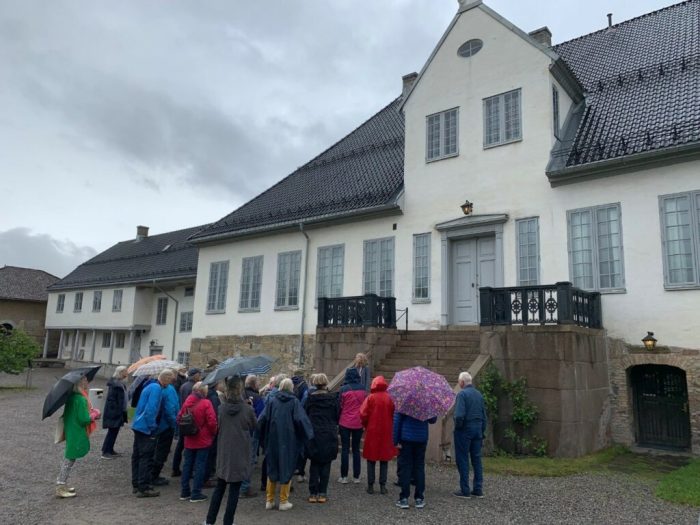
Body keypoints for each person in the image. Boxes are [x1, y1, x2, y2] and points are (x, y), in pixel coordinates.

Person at [203, 376, 256, 525]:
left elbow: (218, 425)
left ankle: (210, 521)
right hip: (239, 452)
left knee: (220, 488)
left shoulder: (222, 408)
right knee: (234, 490)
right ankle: (228, 522)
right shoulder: (246, 409)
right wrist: (248, 406)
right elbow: (254, 425)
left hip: (225, 452)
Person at [257, 378, 313, 511]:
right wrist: (308, 435)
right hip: (289, 440)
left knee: (272, 468)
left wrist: (261, 437)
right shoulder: (294, 402)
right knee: (286, 468)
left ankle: (269, 500)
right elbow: (301, 420)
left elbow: (262, 420)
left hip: (273, 439)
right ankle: (283, 501)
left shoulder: (272, 401)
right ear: (291, 388)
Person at [131, 369, 175, 497]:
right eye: (171, 380)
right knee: (146, 457)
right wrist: (152, 427)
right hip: (146, 427)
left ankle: (137, 483)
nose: (171, 383)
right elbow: (151, 409)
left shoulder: (149, 385)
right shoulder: (156, 388)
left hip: (139, 425)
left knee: (137, 456)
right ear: (166, 379)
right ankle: (144, 487)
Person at [55, 375, 98, 498]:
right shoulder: (80, 399)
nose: (87, 382)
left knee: (70, 458)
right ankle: (60, 485)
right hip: (77, 431)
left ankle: (62, 484)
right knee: (69, 459)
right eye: (85, 380)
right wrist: (94, 414)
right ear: (80, 384)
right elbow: (84, 419)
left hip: (71, 430)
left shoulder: (72, 397)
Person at [178, 381, 218, 503]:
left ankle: (185, 492)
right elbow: (212, 421)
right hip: (202, 438)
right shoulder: (206, 403)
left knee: (187, 465)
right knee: (200, 466)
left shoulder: (187, 401)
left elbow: (179, 417)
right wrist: (213, 432)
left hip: (189, 437)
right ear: (203, 391)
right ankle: (196, 493)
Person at [304, 373, 338, 503]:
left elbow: (305, 414)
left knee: (314, 463)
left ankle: (313, 493)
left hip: (314, 432)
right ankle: (322, 492)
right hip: (329, 432)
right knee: (326, 463)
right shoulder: (333, 399)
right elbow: (337, 415)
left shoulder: (310, 399)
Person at [453, 371, 487, 499]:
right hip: (478, 430)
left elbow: (459, 415)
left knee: (462, 459)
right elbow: (484, 416)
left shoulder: (462, 394)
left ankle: (465, 489)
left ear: (462, 382)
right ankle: (478, 489)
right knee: (476, 460)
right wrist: (482, 430)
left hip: (465, 430)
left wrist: (458, 428)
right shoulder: (479, 395)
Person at [393, 410, 437, 509]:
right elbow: (433, 420)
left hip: (406, 438)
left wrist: (395, 440)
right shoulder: (426, 401)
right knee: (419, 467)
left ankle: (404, 498)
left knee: (406, 467)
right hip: (421, 439)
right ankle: (419, 498)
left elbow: (397, 420)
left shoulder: (404, 401)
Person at [360, 375, 396, 495]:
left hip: (372, 431)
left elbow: (363, 414)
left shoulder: (370, 397)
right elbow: (394, 414)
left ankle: (370, 485)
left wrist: (366, 425)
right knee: (384, 459)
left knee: (371, 459)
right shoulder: (390, 398)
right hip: (386, 431)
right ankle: (382, 486)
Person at [337, 367, 366, 483]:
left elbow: (340, 405)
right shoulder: (363, 389)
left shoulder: (343, 389)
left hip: (345, 421)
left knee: (345, 449)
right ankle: (356, 476)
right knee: (356, 449)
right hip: (358, 422)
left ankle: (344, 476)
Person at [151, 370, 180, 486]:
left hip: (160, 424)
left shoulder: (160, 388)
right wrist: (174, 423)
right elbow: (170, 409)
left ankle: (153, 474)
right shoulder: (169, 390)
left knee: (158, 450)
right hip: (166, 426)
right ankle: (154, 476)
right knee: (162, 452)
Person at [172, 367, 202, 477]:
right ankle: (188, 471)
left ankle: (175, 468)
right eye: (199, 374)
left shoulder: (184, 385)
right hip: (189, 419)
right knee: (188, 446)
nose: (200, 376)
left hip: (184, 416)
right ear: (194, 375)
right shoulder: (193, 388)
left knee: (180, 445)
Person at [101, 365, 128, 459]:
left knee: (114, 431)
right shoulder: (116, 385)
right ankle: (105, 452)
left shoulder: (120, 383)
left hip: (118, 412)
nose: (127, 373)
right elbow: (112, 400)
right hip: (114, 412)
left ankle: (110, 449)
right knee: (112, 432)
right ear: (121, 373)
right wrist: (117, 411)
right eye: (125, 371)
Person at [292, 370, 309, 482]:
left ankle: (294, 467)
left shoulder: (290, 384)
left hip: (292, 418)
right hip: (301, 418)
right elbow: (304, 402)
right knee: (302, 446)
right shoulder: (305, 387)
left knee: (294, 444)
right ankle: (300, 470)